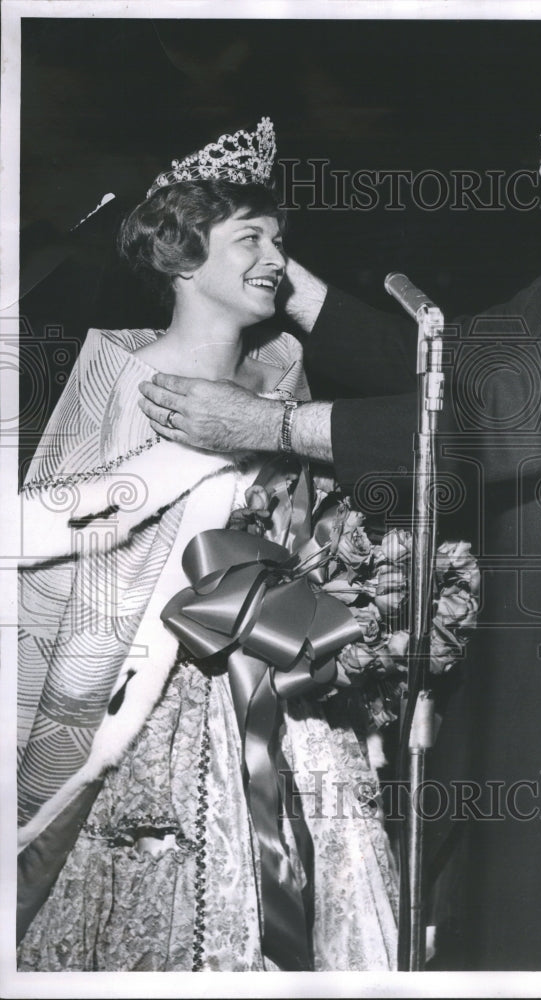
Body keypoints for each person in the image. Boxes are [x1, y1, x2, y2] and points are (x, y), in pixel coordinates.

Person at [139, 45, 541, 970]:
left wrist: (276, 423)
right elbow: (439, 366)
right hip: (532, 702)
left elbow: (509, 424)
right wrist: (285, 276)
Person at [17, 118, 398, 972]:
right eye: (250, 239)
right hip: (141, 705)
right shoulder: (117, 372)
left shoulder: (286, 377)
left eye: (281, 239)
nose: (276, 260)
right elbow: (52, 552)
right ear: (181, 256)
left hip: (281, 698)